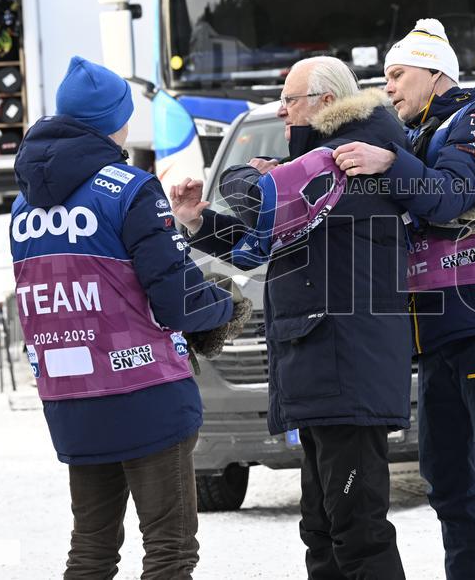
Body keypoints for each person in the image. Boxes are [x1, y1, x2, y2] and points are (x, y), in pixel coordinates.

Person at [332, 20, 475, 579]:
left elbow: (451, 192)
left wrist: (389, 163)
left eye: (397, 74)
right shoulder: (418, 131)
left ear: (436, 74)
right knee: (448, 479)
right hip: (435, 329)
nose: (387, 87)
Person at [171, 56, 411, 580]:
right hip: (319, 369)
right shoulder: (315, 179)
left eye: (290, 101)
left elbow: (255, 197)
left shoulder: (350, 166)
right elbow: (263, 243)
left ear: (326, 104)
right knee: (322, 528)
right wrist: (198, 221)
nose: (281, 112)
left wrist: (266, 179)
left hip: (346, 372)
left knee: (358, 531)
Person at [10, 56, 236, 579]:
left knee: (90, 550)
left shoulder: (24, 205)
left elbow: (89, 270)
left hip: (70, 395)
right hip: (145, 392)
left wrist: (170, 230)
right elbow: (175, 299)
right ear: (114, 121)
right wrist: (222, 306)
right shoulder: (131, 188)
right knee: (170, 551)